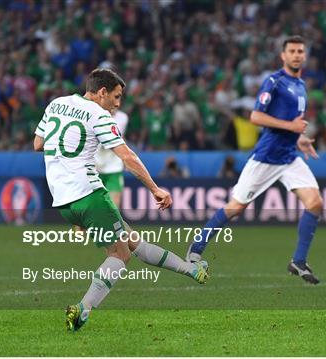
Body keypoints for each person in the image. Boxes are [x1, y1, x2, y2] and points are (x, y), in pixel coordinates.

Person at [33, 69, 209, 331]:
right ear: (102, 92)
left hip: (63, 201)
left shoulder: (56, 104)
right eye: (116, 97)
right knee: (120, 254)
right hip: (89, 193)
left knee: (131, 240)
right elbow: (127, 157)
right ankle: (83, 309)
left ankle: (191, 270)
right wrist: (154, 188)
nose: (117, 103)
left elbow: (38, 144)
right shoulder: (98, 115)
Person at [186, 36, 323, 284]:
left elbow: (291, 123)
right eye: (291, 51)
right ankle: (195, 250)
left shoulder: (301, 85)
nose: (296, 55)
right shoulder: (274, 81)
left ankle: (298, 261)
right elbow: (256, 116)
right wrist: (290, 126)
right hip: (267, 157)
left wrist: (299, 138)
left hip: (290, 156)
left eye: (300, 51)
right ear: (283, 55)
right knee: (236, 208)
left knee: (315, 203)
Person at [94, 109, 128, 207]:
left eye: (118, 98)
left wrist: (125, 159)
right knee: (91, 209)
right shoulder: (93, 114)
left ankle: (113, 222)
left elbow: (121, 139)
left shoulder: (123, 117)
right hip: (94, 167)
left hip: (114, 166)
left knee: (113, 208)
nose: (116, 103)